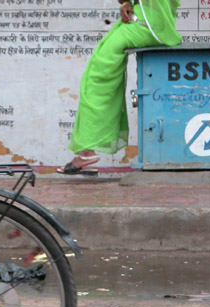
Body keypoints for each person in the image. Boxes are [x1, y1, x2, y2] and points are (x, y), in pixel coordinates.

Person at [57, 0, 181, 175]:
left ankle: (86, 152)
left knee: (95, 79)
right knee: (100, 76)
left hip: (143, 25)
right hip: (157, 24)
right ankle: (86, 150)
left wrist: (124, 2)